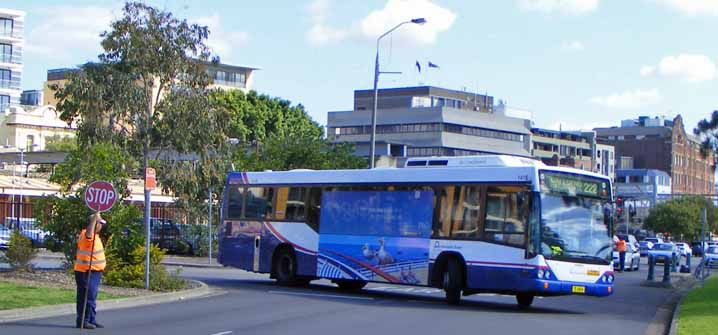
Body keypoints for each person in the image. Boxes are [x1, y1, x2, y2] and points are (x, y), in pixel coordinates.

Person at [74, 212, 107, 329]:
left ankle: (91, 319)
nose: (101, 226)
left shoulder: (95, 236)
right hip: (86, 271)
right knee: (87, 296)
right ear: (95, 224)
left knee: (92, 296)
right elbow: (89, 232)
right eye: (100, 223)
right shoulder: (88, 235)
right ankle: (83, 321)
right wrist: (94, 219)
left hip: (94, 272)